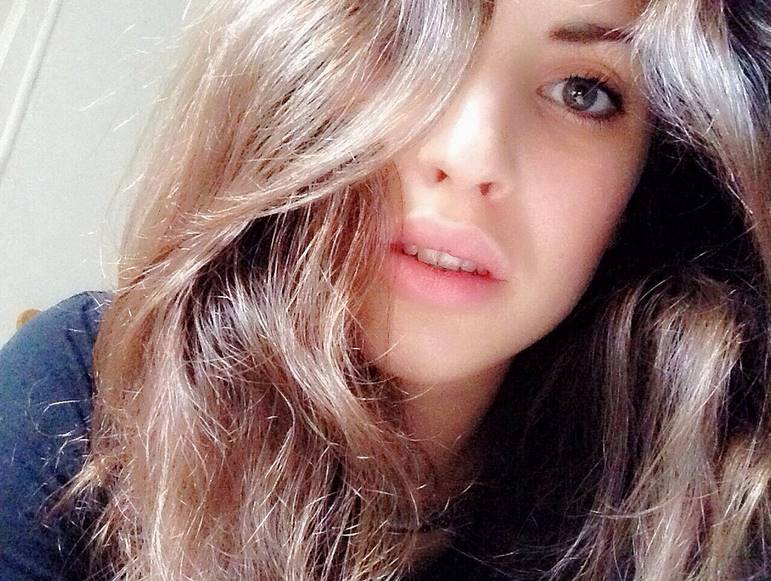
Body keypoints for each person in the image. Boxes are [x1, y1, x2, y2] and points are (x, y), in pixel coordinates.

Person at [1, 0, 769, 579]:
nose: (472, 156)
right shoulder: (81, 399)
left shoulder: (707, 511)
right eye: (407, 45)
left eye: (582, 91)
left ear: (646, 179)